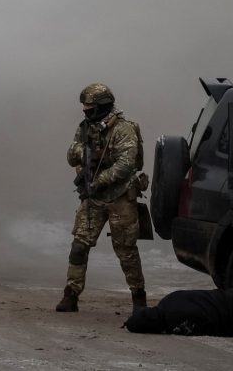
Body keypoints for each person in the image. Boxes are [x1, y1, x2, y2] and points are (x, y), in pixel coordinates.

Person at [56, 82, 147, 314]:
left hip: (120, 196)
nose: (85, 110)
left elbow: (125, 165)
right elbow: (71, 155)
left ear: (101, 106)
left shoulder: (123, 129)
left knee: (126, 251)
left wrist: (98, 180)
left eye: (88, 106)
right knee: (78, 246)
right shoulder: (86, 128)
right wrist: (84, 155)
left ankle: (139, 298)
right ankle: (71, 294)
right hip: (94, 198)